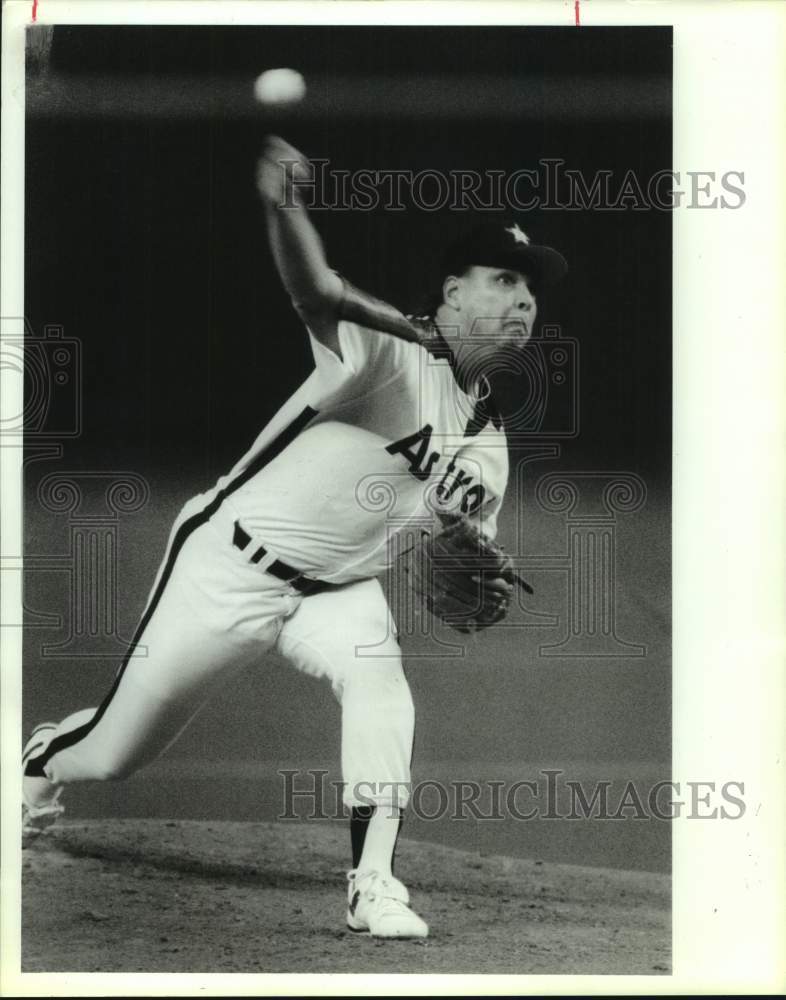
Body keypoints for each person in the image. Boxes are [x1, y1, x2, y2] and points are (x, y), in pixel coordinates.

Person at [22, 135, 567, 940]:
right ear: (451, 294)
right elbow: (313, 288)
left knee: (384, 686)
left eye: (530, 289)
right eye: (503, 279)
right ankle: (36, 761)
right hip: (227, 564)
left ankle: (373, 885)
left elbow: (454, 565)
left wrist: (468, 571)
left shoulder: (490, 445)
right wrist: (285, 204)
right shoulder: (390, 352)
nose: (522, 299)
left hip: (338, 590)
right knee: (112, 755)